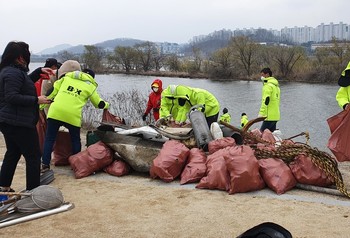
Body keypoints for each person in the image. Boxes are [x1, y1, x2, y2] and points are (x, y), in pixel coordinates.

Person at [0, 41, 53, 192]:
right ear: (20, 58)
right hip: (18, 122)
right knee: (34, 156)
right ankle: (33, 191)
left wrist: (37, 72)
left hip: (10, 120)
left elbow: (23, 84)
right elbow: (12, 96)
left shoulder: (11, 71)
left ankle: (3, 187)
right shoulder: (12, 72)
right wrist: (37, 100)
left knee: (13, 152)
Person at [41, 62, 109, 172]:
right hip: (72, 116)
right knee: (75, 140)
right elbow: (98, 104)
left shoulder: (66, 78)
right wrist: (107, 105)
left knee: (49, 139)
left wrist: (41, 106)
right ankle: (76, 164)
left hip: (55, 112)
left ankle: (45, 164)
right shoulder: (90, 86)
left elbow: (51, 93)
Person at [258, 67, 280, 132]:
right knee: (271, 135)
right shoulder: (276, 86)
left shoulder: (268, 86)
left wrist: (261, 113)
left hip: (268, 116)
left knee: (262, 134)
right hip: (275, 116)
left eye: (262, 75)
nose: (261, 77)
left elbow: (266, 101)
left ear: (267, 74)